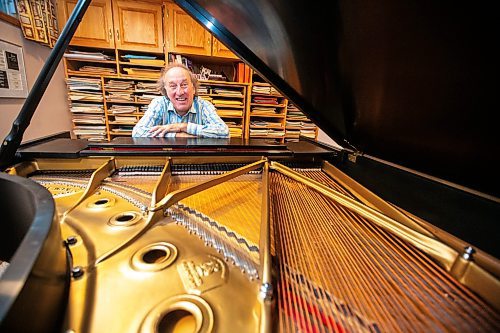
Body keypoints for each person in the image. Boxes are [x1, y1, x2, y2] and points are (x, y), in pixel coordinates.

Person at [132, 63, 229, 138]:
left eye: (184, 85)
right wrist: (177, 136)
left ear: (193, 88)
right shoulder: (159, 104)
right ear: (165, 91)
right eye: (173, 86)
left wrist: (182, 127)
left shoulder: (204, 105)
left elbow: (224, 132)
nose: (180, 92)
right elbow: (138, 132)